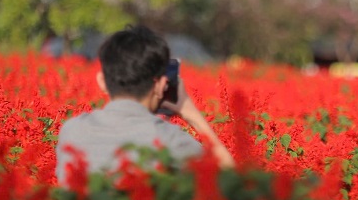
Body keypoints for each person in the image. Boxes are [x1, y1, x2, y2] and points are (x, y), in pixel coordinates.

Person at [55, 25, 234, 185]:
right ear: (162, 84)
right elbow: (232, 183)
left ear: (102, 81)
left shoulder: (71, 131)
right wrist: (191, 114)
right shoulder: (171, 140)